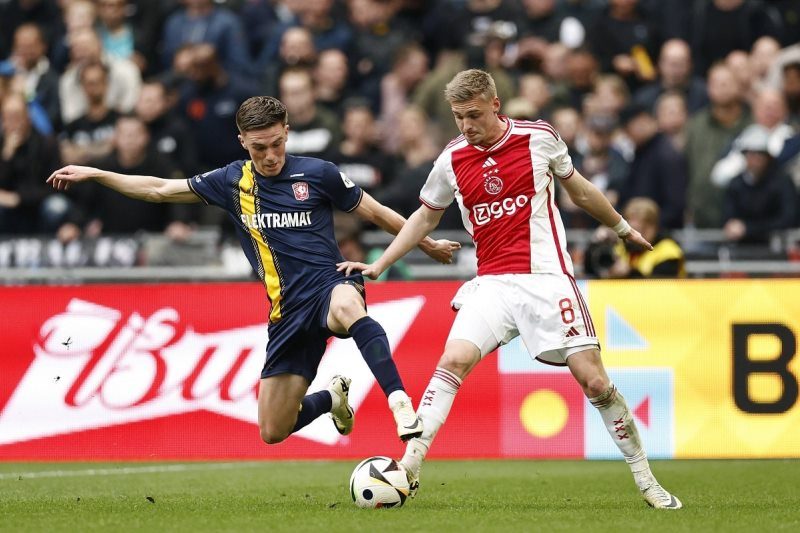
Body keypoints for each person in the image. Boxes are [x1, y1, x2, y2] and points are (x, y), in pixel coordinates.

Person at [337, 69, 683, 509]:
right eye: (458, 117)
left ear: (495, 105)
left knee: (595, 381)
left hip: (547, 278)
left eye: (474, 115)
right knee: (453, 359)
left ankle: (646, 479)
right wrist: (381, 263)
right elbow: (425, 217)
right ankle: (408, 467)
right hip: (493, 283)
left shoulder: (538, 138)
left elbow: (579, 191)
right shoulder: (452, 159)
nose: (466, 125)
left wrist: (621, 228)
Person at [47, 95, 461, 446]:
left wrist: (427, 244)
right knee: (273, 430)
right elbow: (159, 189)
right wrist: (99, 174)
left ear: (287, 132)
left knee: (348, 307)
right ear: (242, 140)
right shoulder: (230, 181)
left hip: (329, 283)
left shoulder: (319, 173)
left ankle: (399, 403)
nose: (270, 155)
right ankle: (332, 399)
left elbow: (376, 212)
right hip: (286, 312)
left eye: (277, 144)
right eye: (259, 147)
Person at [587, 197, 686, 279]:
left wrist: (629, 273)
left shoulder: (668, 251)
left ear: (654, 227)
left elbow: (660, 288)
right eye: (632, 229)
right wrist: (596, 243)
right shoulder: (619, 246)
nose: (636, 235)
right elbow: (590, 269)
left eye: (642, 229)